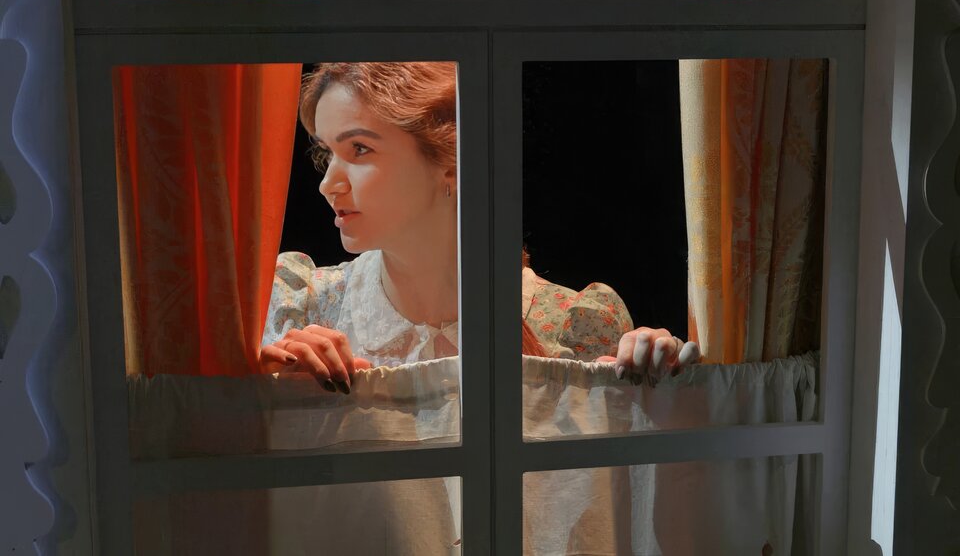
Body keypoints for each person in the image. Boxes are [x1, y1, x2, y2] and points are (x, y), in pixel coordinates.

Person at [258, 62, 700, 393]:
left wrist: (664, 391)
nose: (327, 184)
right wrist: (269, 391)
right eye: (327, 153)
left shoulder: (574, 325)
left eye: (359, 149)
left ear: (451, 162)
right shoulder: (302, 308)